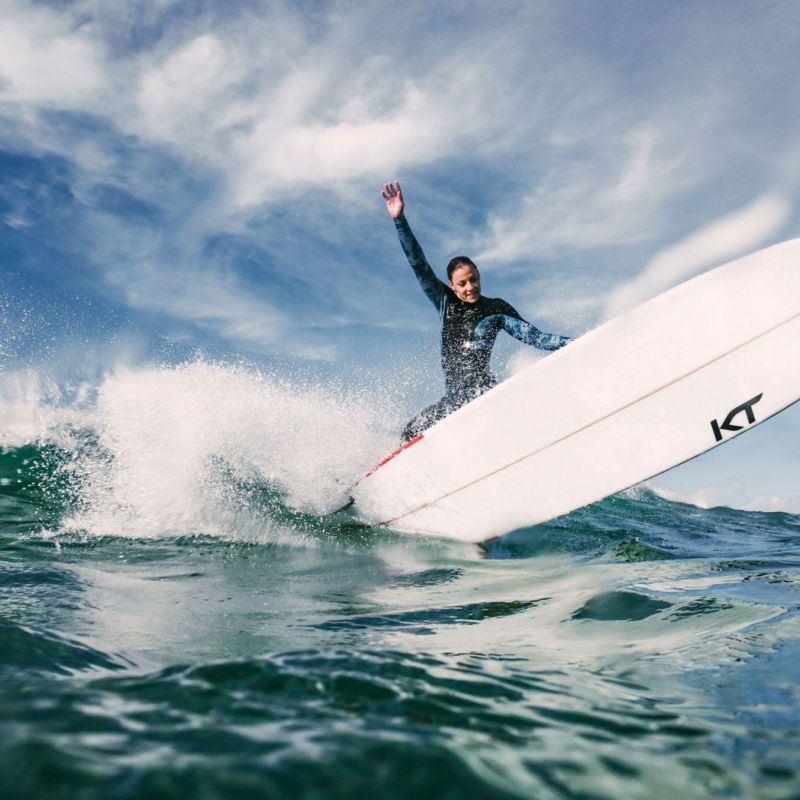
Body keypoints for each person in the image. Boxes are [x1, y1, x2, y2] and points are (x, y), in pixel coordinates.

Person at [381, 181, 572, 442]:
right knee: (410, 433)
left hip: (481, 394)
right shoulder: (446, 303)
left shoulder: (496, 308)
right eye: (462, 283)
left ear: (479, 276)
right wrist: (399, 220)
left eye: (474, 279)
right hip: (455, 401)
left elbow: (537, 337)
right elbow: (419, 265)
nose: (470, 287)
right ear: (452, 285)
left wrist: (575, 345)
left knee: (416, 431)